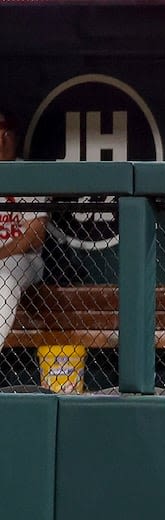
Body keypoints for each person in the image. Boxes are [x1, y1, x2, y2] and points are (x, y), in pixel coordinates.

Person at [0, 111, 50, 348]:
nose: (2, 138)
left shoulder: (30, 172)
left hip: (22, 260)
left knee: (4, 277)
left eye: (5, 132)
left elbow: (36, 233)